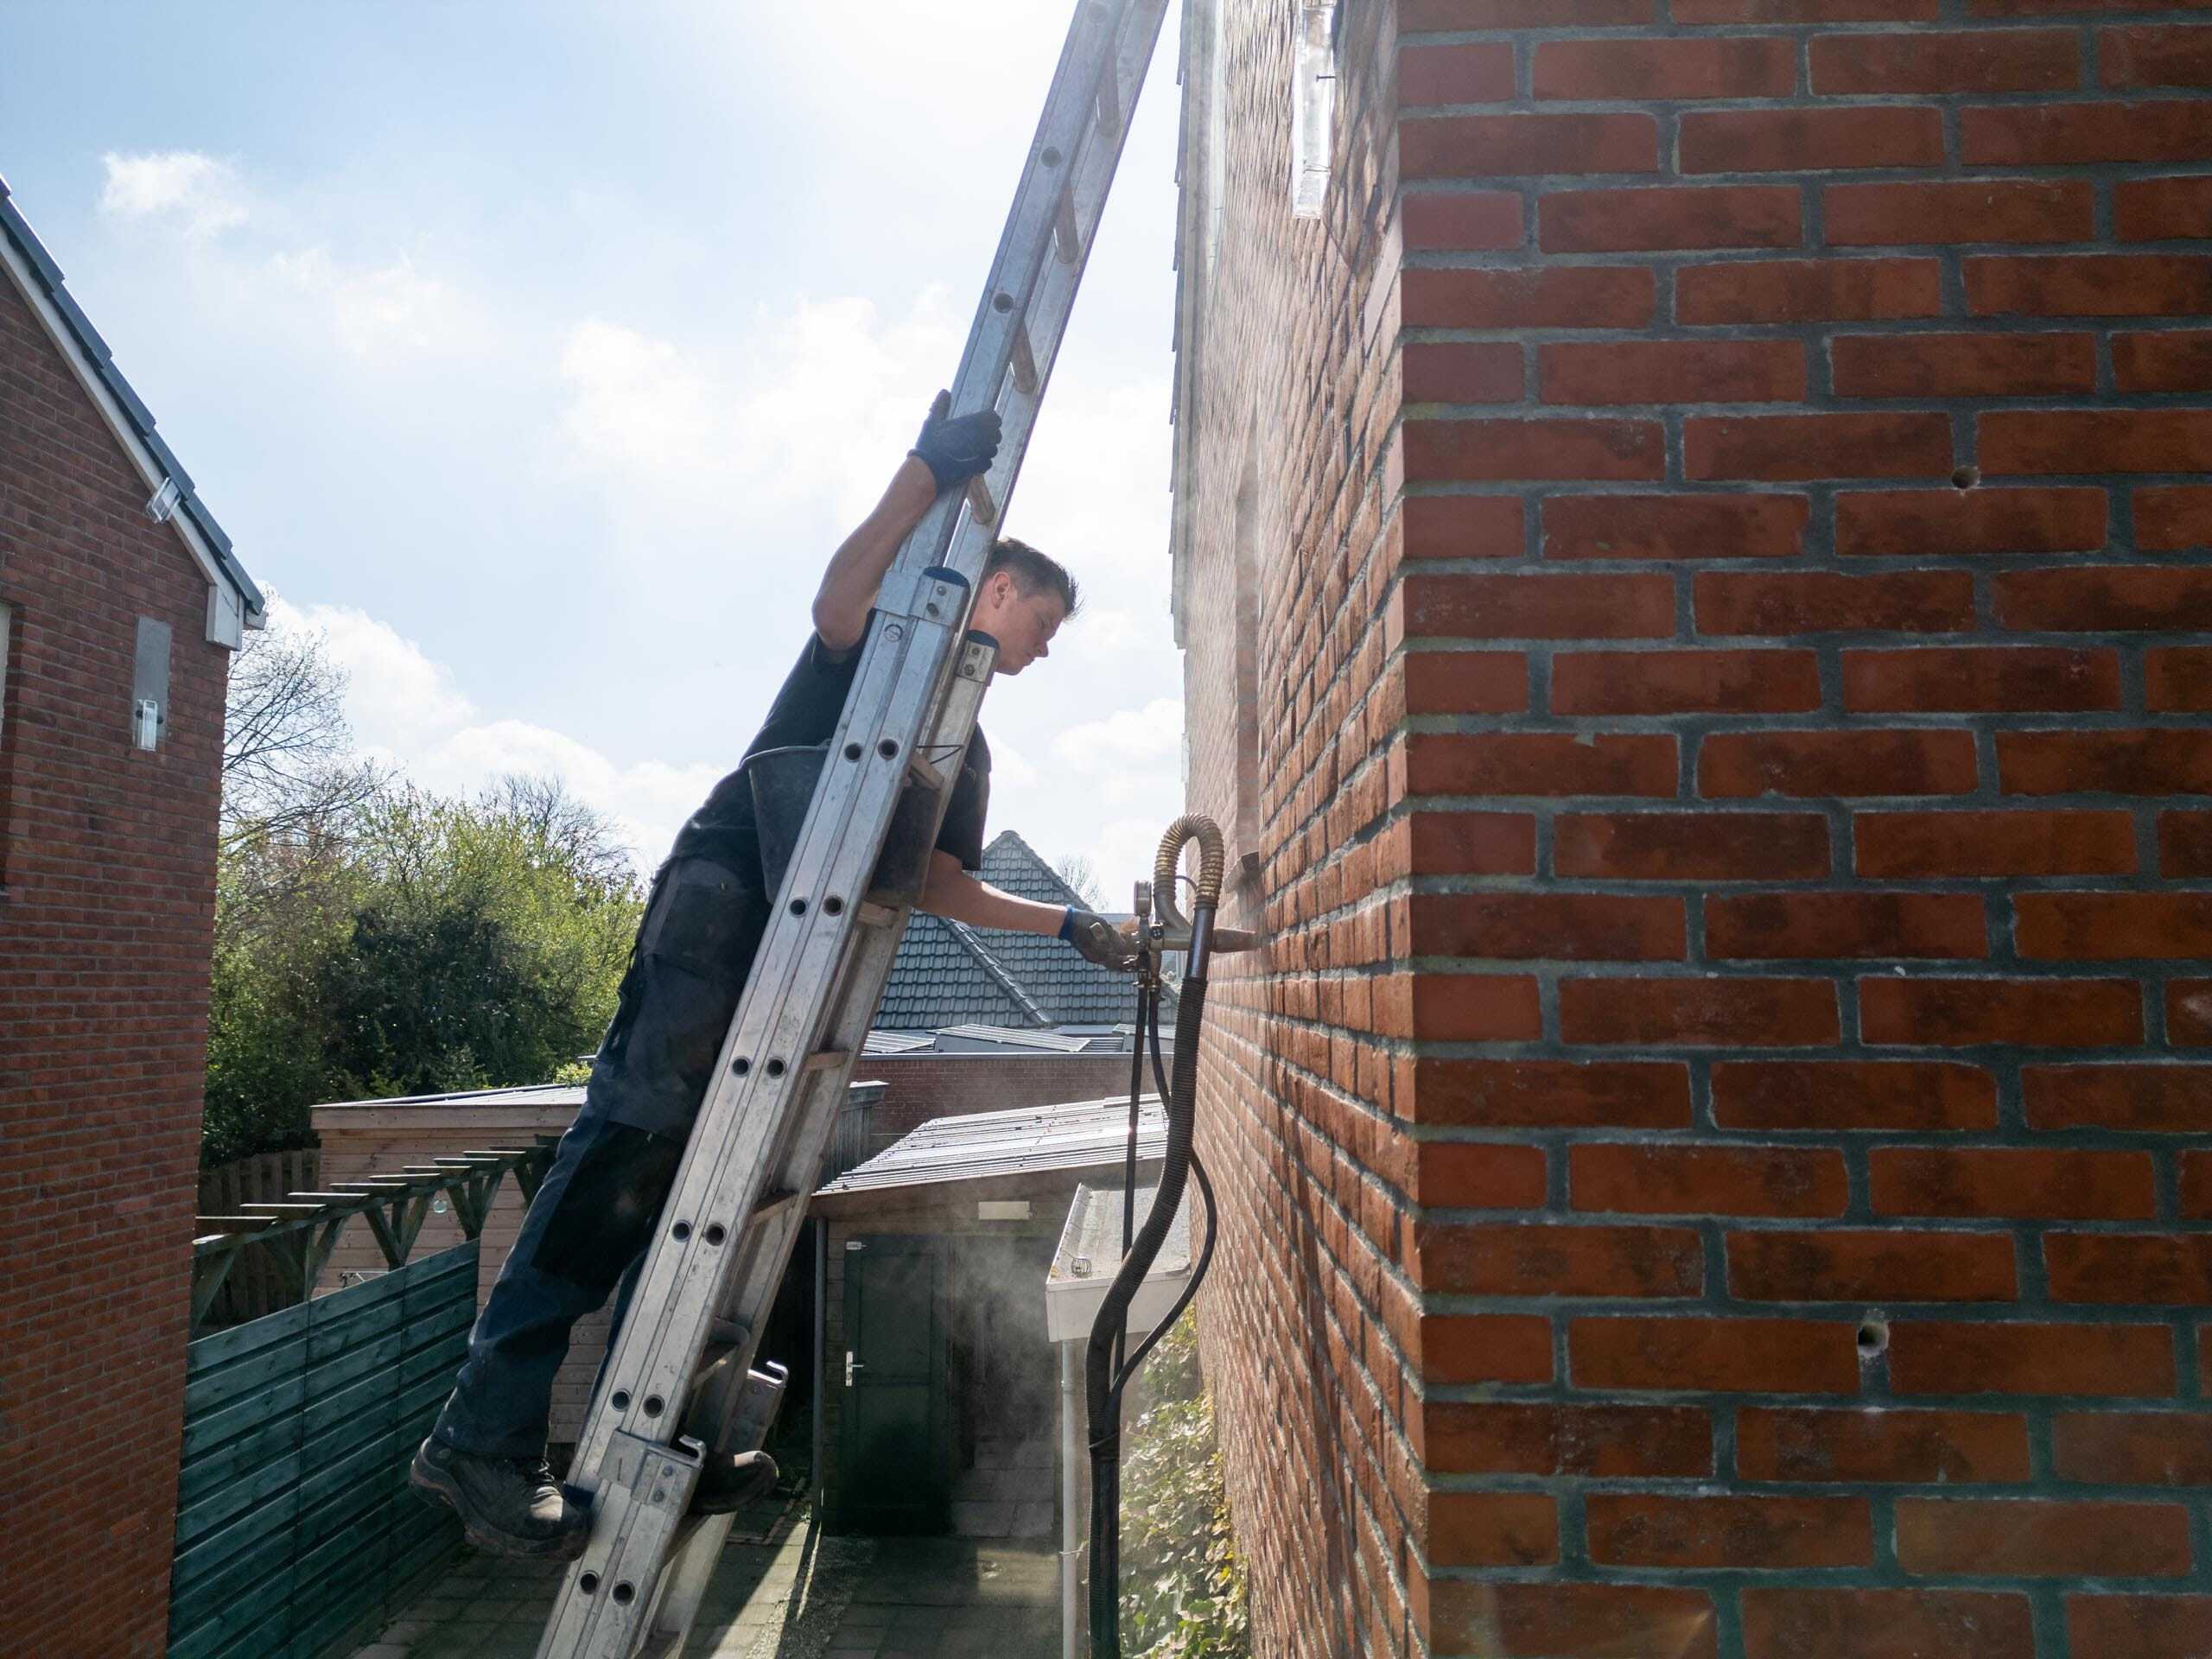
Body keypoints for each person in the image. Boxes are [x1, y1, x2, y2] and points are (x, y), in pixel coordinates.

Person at [410, 394, 1141, 1560]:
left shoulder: (969, 747)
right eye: (1044, 624)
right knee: (626, 1155)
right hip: (722, 909)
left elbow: (945, 882)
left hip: (791, 962)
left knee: (705, 1191)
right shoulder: (892, 643)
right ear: (997, 592)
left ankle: (656, 1441)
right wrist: (925, 473)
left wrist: (1070, 928)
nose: (1045, 653)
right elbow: (836, 598)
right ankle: (478, 1443)